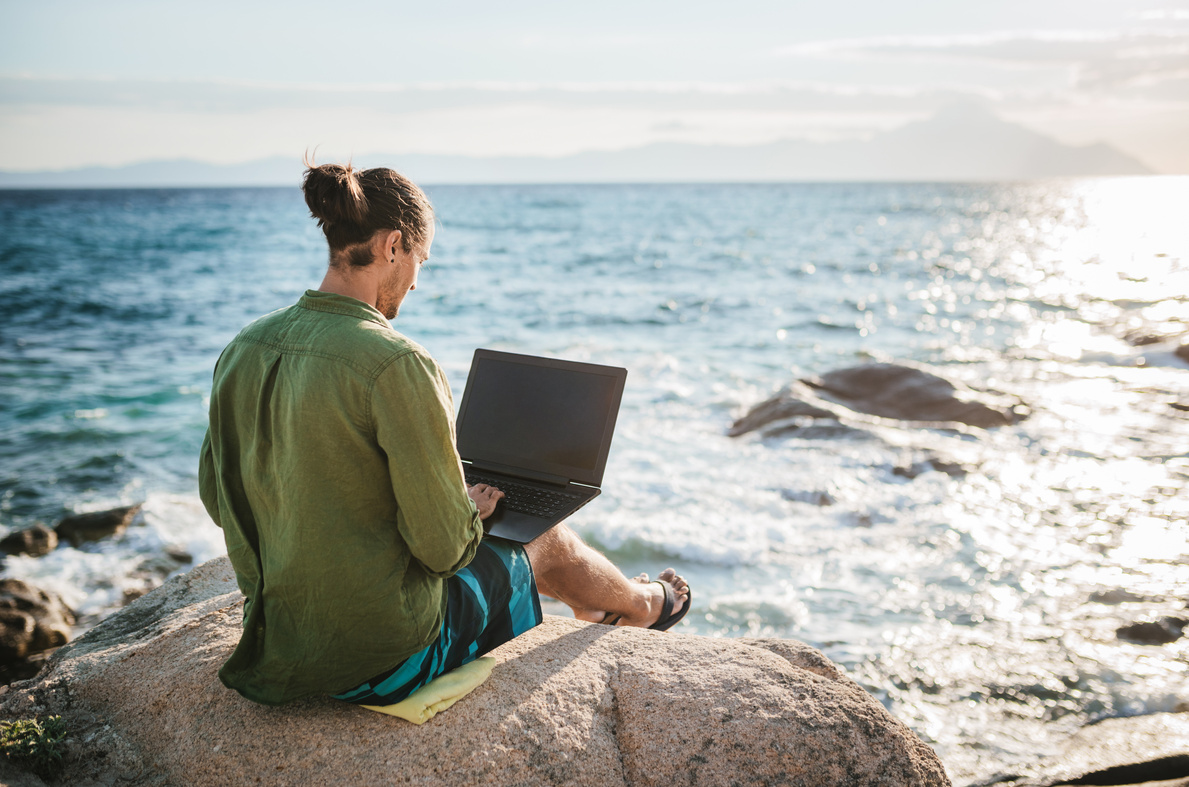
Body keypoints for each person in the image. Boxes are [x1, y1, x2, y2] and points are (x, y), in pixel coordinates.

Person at [198, 161, 690, 708]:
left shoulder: (244, 346)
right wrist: (466, 511)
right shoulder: (396, 362)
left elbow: (218, 500)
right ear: (392, 246)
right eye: (419, 261)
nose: (415, 280)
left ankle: (602, 607)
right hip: (380, 661)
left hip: (276, 644)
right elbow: (441, 551)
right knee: (539, 538)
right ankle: (645, 606)